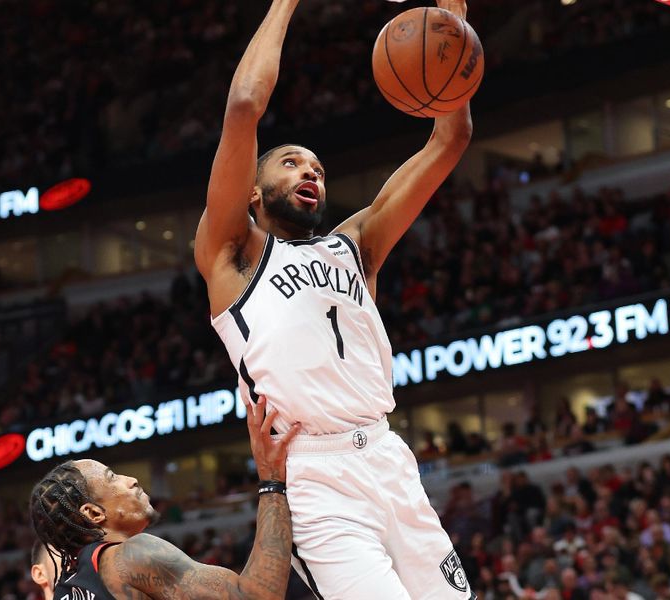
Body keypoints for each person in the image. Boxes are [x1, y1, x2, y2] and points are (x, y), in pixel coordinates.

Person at [194, 0, 475, 596]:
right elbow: (244, 107)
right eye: (292, 162)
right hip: (315, 476)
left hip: (387, 456)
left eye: (318, 167)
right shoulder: (233, 258)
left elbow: (452, 137)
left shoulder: (356, 245)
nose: (311, 171)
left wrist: (452, 18)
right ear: (252, 194)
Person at [29, 397, 299, 600]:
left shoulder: (68, 588)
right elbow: (256, 596)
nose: (131, 480)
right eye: (112, 477)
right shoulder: (129, 557)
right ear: (94, 513)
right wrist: (271, 482)